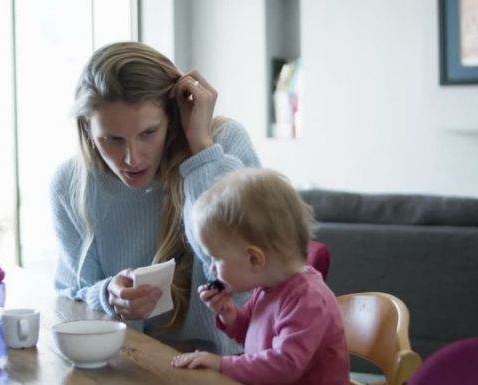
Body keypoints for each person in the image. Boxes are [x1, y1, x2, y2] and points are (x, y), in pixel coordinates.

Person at [50, 41, 260, 354]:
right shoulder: (70, 183)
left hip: (234, 364)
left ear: (173, 116)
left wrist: (201, 150)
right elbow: (71, 296)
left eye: (148, 133)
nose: (131, 158)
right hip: (135, 362)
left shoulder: (224, 146)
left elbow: (245, 268)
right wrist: (108, 295)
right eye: (112, 140)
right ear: (88, 130)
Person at [171, 168, 350, 385]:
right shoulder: (267, 287)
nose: (212, 267)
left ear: (254, 259)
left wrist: (221, 363)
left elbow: (285, 365)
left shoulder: (308, 299)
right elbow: (251, 333)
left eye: (217, 258)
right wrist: (230, 315)